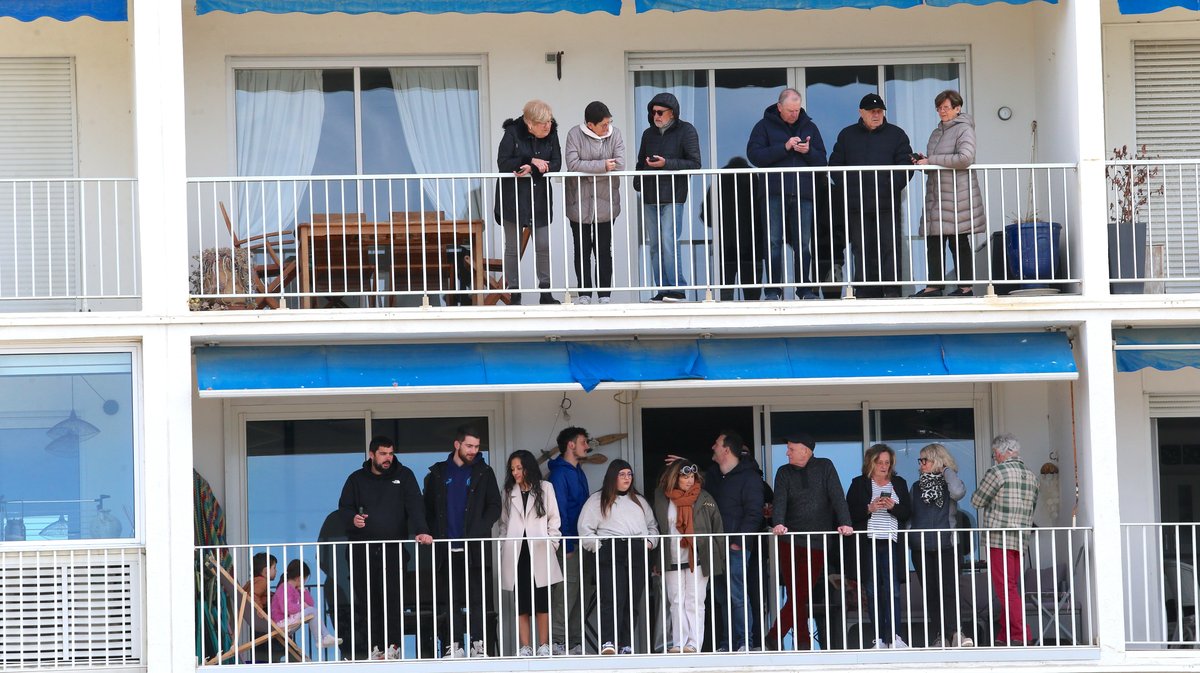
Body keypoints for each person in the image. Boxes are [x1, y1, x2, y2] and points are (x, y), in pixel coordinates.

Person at [337, 435, 432, 661]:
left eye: (390, 453)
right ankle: (374, 647)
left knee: (393, 599)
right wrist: (353, 519)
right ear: (372, 455)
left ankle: (393, 646)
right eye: (383, 454)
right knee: (367, 601)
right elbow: (344, 508)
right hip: (362, 551)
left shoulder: (404, 475)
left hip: (393, 551)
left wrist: (422, 530)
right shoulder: (356, 479)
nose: (388, 458)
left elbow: (415, 506)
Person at [767, 432, 853, 651]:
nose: (787, 452)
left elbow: (837, 496)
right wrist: (778, 523)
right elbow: (780, 502)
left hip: (817, 541)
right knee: (797, 594)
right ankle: (804, 643)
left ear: (806, 450)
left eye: (791, 448)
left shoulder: (825, 466)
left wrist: (845, 522)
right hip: (789, 540)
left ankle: (774, 636)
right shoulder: (783, 472)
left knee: (800, 593)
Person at [423, 425, 502, 658]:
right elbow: (426, 508)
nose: (473, 451)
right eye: (469, 446)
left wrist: (477, 530)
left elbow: (495, 506)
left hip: (474, 547)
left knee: (477, 598)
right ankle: (453, 645)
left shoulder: (484, 472)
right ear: (457, 445)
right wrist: (432, 533)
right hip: (445, 547)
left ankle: (479, 645)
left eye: (477, 447)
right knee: (450, 599)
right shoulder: (438, 473)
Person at [828, 93, 914, 298]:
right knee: (861, 247)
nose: (876, 115)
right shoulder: (847, 135)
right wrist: (850, 189)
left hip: (887, 202)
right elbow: (835, 166)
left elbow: (905, 164)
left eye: (879, 111)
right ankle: (866, 290)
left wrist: (892, 186)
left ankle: (892, 290)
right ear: (861, 113)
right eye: (872, 111)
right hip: (857, 204)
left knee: (889, 246)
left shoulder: (896, 134)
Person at [746, 88, 827, 300]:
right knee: (773, 241)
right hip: (773, 191)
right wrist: (785, 147)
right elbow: (754, 156)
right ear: (779, 107)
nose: (794, 114)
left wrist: (807, 151)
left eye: (797, 110)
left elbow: (822, 161)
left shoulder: (810, 126)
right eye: (790, 110)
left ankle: (805, 289)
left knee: (803, 243)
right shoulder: (763, 126)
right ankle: (773, 290)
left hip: (803, 192)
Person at [577, 459, 660, 655]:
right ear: (613, 476)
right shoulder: (598, 500)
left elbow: (653, 527)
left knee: (632, 600)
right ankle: (608, 642)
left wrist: (649, 543)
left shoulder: (639, 501)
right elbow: (585, 529)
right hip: (610, 550)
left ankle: (625, 644)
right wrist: (598, 546)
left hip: (636, 551)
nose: (626, 478)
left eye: (629, 474)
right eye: (622, 474)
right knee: (611, 598)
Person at [912, 89, 986, 298]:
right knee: (933, 240)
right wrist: (922, 162)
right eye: (939, 108)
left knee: (958, 241)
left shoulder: (964, 129)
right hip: (937, 194)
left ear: (957, 108)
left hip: (957, 194)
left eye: (946, 107)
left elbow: (965, 158)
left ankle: (965, 288)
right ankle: (934, 287)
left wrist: (932, 161)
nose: (942, 112)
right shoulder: (937, 133)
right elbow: (936, 162)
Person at [971, 433, 1038, 646]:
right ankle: (1004, 635)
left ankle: (1020, 634)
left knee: (1005, 588)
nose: (994, 457)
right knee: (1010, 587)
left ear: (1000, 452)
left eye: (994, 454)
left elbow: (977, 500)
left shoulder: (997, 472)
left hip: (999, 538)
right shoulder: (1031, 475)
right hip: (1021, 539)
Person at [635, 92, 702, 302]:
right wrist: (638, 183)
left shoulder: (686, 130)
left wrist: (667, 164)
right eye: (653, 112)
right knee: (654, 245)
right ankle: (663, 290)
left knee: (668, 241)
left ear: (672, 113)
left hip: (673, 195)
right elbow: (640, 162)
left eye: (660, 112)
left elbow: (695, 163)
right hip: (650, 196)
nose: (656, 116)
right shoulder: (648, 134)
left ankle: (677, 289)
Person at [495, 99, 563, 305]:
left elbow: (557, 163)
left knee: (543, 245)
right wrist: (530, 160)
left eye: (549, 121)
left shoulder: (552, 134)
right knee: (513, 247)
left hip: (539, 197)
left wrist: (533, 168)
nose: (548, 126)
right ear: (529, 123)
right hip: (513, 198)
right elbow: (503, 163)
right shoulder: (512, 133)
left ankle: (546, 292)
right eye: (543, 123)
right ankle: (514, 293)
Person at [653, 458, 724, 654]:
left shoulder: (704, 497)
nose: (689, 481)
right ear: (674, 478)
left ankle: (693, 643)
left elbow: (717, 528)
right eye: (684, 477)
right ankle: (679, 642)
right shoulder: (661, 496)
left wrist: (720, 556)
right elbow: (657, 527)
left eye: (692, 476)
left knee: (695, 600)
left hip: (699, 557)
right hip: (672, 558)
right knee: (676, 601)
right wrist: (656, 560)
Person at [498, 450, 564, 657]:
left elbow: (554, 519)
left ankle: (544, 645)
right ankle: (525, 646)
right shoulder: (509, 491)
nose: (515, 472)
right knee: (522, 601)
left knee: (542, 600)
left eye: (519, 468)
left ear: (528, 467)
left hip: (540, 550)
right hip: (517, 552)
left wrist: (552, 543)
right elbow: (504, 523)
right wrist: (503, 544)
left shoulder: (546, 488)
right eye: (512, 469)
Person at [846, 444, 912, 649]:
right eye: (880, 462)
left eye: (887, 463)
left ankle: (895, 638)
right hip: (869, 543)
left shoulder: (899, 483)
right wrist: (870, 508)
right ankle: (879, 639)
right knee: (873, 591)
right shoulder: (859, 484)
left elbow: (907, 513)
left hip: (892, 542)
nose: (884, 467)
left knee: (893, 591)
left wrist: (893, 507)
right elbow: (848, 514)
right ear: (871, 463)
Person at [703, 431, 764, 651]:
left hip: (734, 547)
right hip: (715, 547)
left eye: (717, 444)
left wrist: (738, 541)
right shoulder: (713, 476)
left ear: (726, 450)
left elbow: (754, 513)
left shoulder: (750, 477)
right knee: (721, 597)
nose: (713, 447)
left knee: (737, 595)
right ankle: (727, 643)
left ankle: (744, 642)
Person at [909, 443, 973, 648]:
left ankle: (956, 633)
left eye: (924, 460)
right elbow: (911, 516)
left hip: (947, 544)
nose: (920, 464)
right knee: (931, 593)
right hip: (921, 546)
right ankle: (940, 636)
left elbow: (958, 492)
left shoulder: (949, 484)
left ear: (936, 460)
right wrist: (910, 538)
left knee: (949, 590)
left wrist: (946, 470)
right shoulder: (916, 487)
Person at [565, 101, 624, 305]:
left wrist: (589, 170)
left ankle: (604, 295)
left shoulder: (615, 134)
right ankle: (584, 294)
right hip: (578, 202)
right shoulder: (574, 134)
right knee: (581, 249)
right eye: (603, 125)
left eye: (609, 123)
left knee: (603, 249)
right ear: (590, 125)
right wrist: (601, 167)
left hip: (606, 202)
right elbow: (572, 165)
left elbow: (621, 163)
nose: (607, 128)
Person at [547, 427, 593, 654]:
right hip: (569, 544)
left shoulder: (579, 472)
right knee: (566, 591)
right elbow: (559, 512)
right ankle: (557, 640)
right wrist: (567, 544)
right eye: (583, 442)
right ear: (571, 445)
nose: (587, 446)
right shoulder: (559, 474)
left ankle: (575, 641)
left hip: (582, 543)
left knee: (581, 591)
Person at [703, 157, 764, 301]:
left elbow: (707, 216)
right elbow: (766, 213)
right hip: (753, 246)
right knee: (752, 293)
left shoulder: (719, 184)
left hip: (725, 246)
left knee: (724, 290)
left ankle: (723, 316)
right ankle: (754, 316)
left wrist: (722, 224)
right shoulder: (756, 183)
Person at [270, 560, 342, 651]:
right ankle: (323, 638)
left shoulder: (294, 589)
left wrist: (303, 590)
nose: (305, 581)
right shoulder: (284, 588)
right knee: (313, 611)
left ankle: (323, 639)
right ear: (300, 578)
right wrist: (302, 606)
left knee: (312, 612)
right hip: (282, 623)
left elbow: (310, 604)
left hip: (289, 620)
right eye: (305, 579)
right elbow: (288, 608)